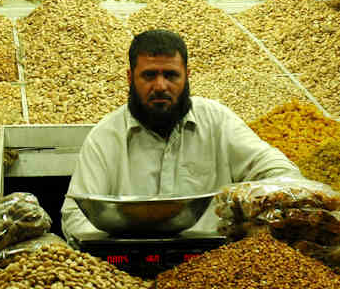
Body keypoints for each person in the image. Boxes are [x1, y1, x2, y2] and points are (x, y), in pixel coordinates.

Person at [60, 29, 301, 245]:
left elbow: (278, 171)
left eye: (171, 75)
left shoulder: (217, 121)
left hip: (214, 265)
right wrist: (108, 253)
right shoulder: (106, 136)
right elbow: (75, 212)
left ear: (187, 75)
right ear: (130, 77)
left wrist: (258, 208)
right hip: (125, 266)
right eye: (149, 75)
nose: (161, 86)